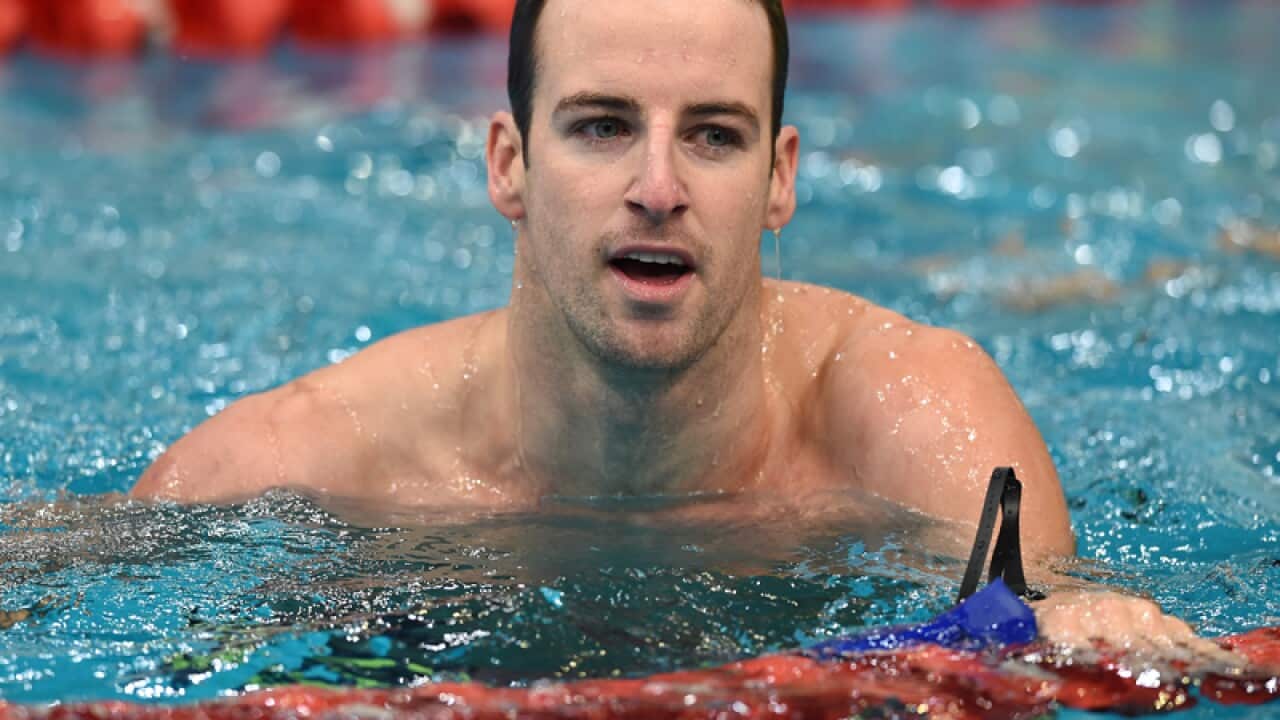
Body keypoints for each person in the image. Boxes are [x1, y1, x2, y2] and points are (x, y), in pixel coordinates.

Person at [132, 0, 1234, 662]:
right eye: (601, 126)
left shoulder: (913, 417)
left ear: (779, 178)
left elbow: (1043, 621)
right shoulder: (306, 465)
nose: (656, 188)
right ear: (508, 165)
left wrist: (1082, 624)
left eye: (712, 135)